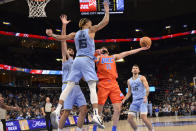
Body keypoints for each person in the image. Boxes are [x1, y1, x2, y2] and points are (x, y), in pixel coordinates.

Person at [46, 1, 109, 128]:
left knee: (69, 86)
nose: (91, 23)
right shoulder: (91, 30)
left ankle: (57, 110)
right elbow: (104, 22)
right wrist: (106, 10)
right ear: (86, 23)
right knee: (92, 86)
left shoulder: (75, 34)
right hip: (86, 60)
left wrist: (52, 34)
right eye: (90, 22)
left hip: (77, 61)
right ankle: (96, 115)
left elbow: (62, 38)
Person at [94, 46, 149, 131]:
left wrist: (141, 49)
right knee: (99, 110)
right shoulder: (98, 57)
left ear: (108, 52)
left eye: (106, 49)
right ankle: (94, 128)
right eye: (103, 49)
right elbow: (88, 59)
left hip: (113, 83)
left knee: (118, 109)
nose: (104, 50)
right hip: (103, 83)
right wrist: (96, 52)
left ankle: (114, 129)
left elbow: (128, 52)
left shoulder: (113, 57)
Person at [57, 15, 87, 131]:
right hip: (67, 86)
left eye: (71, 50)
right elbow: (63, 41)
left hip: (77, 87)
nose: (70, 50)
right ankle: (59, 130)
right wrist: (64, 25)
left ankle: (79, 129)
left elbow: (83, 78)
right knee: (66, 112)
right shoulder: (66, 59)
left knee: (84, 109)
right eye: (69, 50)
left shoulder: (78, 62)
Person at [122, 65, 154, 131]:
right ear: (132, 70)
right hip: (135, 101)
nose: (135, 69)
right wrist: (124, 99)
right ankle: (136, 130)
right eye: (133, 68)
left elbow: (147, 88)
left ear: (138, 70)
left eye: (136, 68)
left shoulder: (142, 78)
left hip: (142, 100)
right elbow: (129, 92)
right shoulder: (129, 81)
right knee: (129, 119)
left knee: (143, 118)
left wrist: (145, 96)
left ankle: (152, 130)